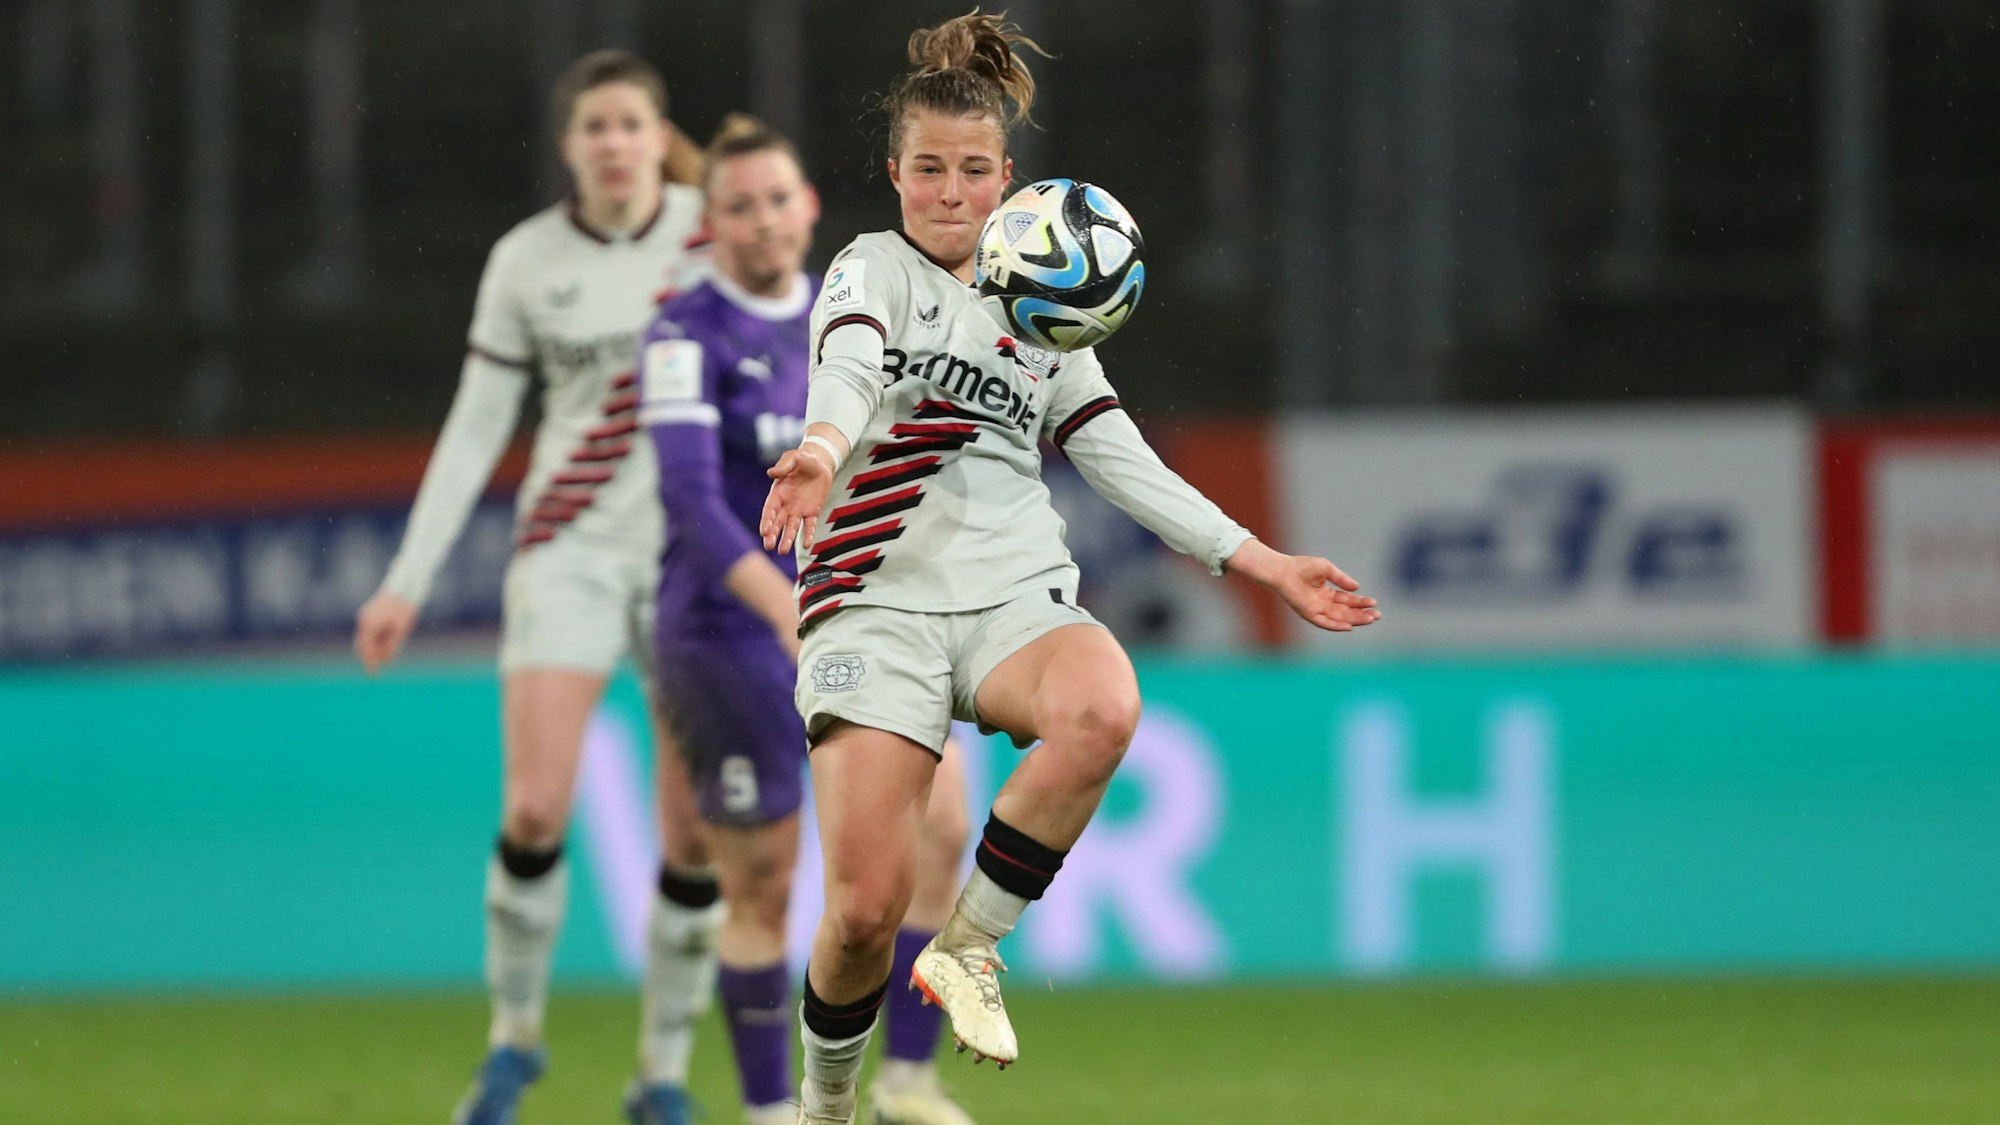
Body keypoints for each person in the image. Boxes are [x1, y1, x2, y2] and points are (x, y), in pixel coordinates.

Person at [758, 12, 1382, 1124]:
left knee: (1102, 708)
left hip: (1009, 597)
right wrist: (818, 448)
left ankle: (968, 947)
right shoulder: (869, 270)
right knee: (861, 913)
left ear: (1007, 180)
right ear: (894, 173)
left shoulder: (1046, 310)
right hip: (872, 605)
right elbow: (846, 368)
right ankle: (826, 1107)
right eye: (928, 169)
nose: (950, 192)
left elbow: (1120, 458)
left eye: (973, 170)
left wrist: (1263, 561)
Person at [351, 50, 721, 1125]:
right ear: (567, 146)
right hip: (568, 548)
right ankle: (513, 1041)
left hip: (692, 556)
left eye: (630, 124)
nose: (613, 143)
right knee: (532, 806)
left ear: (658, 137)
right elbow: (477, 425)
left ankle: (659, 1075)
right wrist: (406, 580)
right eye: (593, 126)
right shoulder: (525, 260)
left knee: (694, 833)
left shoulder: (718, 234)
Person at [637, 115, 983, 1125]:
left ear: (810, 206)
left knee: (942, 829)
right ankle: (770, 1112)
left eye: (778, 199)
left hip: (863, 619)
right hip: (731, 632)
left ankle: (907, 1083)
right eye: (739, 205)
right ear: (710, 222)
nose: (763, 220)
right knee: (763, 882)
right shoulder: (682, 336)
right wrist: (792, 612)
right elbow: (692, 504)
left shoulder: (859, 313)